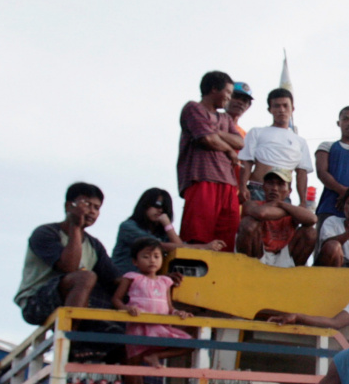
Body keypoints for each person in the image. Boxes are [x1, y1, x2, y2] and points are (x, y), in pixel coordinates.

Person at [14, 182, 119, 326]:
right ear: (69, 206)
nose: (92, 211)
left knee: (121, 299)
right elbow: (69, 267)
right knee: (85, 277)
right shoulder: (45, 233)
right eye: (87, 204)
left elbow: (114, 280)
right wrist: (75, 226)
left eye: (97, 207)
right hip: (35, 302)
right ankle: (71, 340)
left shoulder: (94, 245)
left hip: (73, 303)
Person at [177, 71, 244, 250]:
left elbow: (240, 141)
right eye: (228, 93)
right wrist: (229, 149)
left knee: (226, 242)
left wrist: (217, 133)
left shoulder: (225, 118)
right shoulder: (193, 108)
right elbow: (206, 139)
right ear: (214, 88)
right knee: (198, 237)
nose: (229, 98)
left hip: (229, 184)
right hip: (201, 178)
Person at [113, 237, 192, 382]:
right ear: (135, 261)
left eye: (156, 256)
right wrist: (127, 308)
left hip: (160, 328)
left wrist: (178, 313)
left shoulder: (165, 281)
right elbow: (116, 299)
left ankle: (156, 356)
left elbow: (169, 307)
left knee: (190, 344)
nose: (152, 260)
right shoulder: (131, 277)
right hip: (138, 327)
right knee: (133, 367)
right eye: (146, 256)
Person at [114, 187, 222, 277]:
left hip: (146, 288)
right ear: (145, 204)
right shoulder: (128, 227)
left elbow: (180, 249)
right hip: (121, 282)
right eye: (157, 205)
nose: (160, 210)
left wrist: (168, 225)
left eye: (164, 208)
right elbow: (159, 245)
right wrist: (205, 247)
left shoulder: (161, 233)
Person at [240, 88, 315, 206]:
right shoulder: (256, 132)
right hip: (256, 189)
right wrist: (242, 187)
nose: (281, 110)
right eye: (277, 106)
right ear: (270, 109)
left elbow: (302, 173)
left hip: (283, 194)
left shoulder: (300, 141)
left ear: (292, 109)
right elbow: (247, 162)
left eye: (285, 106)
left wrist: (302, 201)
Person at [237, 170, 318, 267]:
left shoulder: (292, 210)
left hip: (284, 257)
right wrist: (285, 209)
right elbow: (261, 213)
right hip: (258, 254)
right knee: (248, 223)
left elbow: (312, 219)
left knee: (310, 232)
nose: (274, 188)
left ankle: (293, 273)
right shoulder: (251, 204)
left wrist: (279, 203)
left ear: (289, 191)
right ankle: (248, 266)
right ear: (263, 187)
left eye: (280, 184)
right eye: (270, 183)